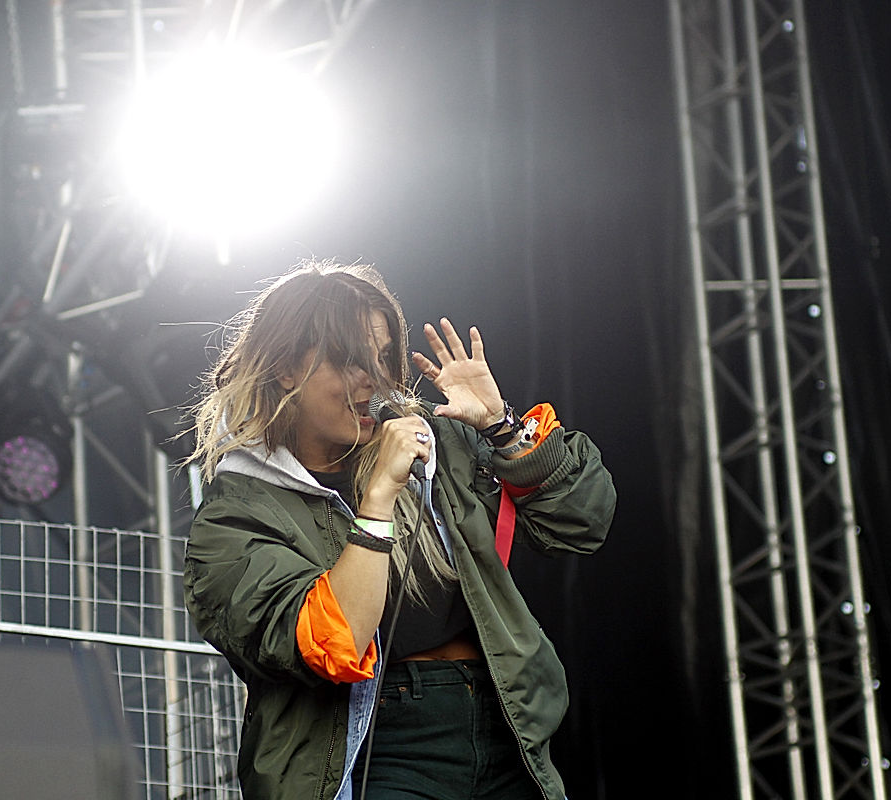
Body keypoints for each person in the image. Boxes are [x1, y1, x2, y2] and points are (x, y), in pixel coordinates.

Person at [183, 260, 616, 800]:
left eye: (383, 357)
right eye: (348, 360)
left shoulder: (436, 448)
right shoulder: (238, 515)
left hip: (503, 724)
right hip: (376, 748)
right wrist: (379, 498)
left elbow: (582, 520)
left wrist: (500, 427)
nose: (372, 378)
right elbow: (332, 644)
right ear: (285, 368)